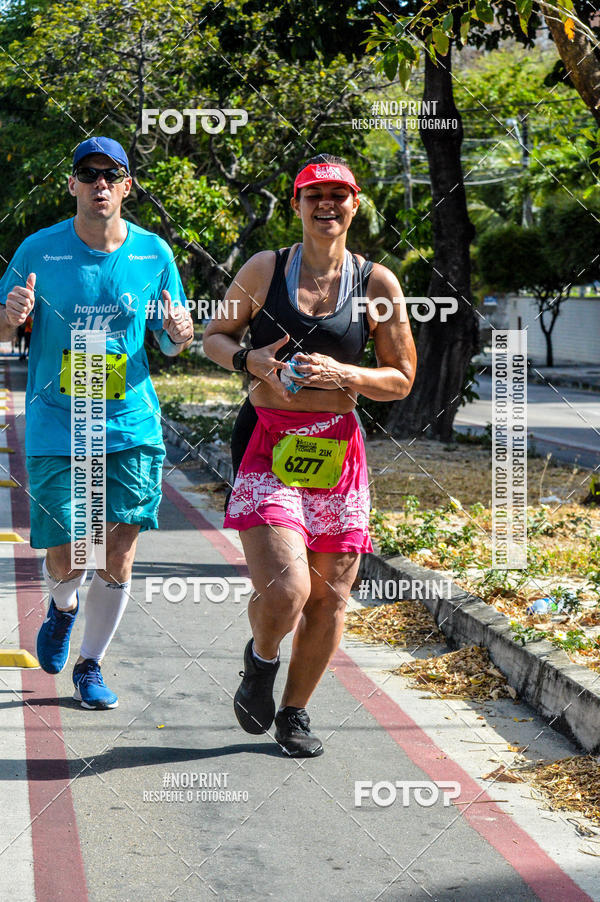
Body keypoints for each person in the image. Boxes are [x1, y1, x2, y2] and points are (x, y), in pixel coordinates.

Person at [203, 153, 416, 756]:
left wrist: (345, 373)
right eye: (314, 195)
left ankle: (294, 713)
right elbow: (215, 336)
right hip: (267, 441)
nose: (327, 205)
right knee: (286, 590)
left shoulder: (376, 284)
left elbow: (401, 378)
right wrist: (249, 360)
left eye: (338, 195)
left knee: (329, 597)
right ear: (296, 204)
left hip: (338, 452)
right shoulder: (265, 268)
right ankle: (261, 659)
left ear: (355, 205)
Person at [0, 136, 194, 708]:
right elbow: (2, 330)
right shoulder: (38, 250)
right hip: (57, 422)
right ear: (73, 185)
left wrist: (179, 336)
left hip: (129, 423)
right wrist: (10, 317)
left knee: (117, 546)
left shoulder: (153, 253)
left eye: (111, 175)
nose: (99, 184)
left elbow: (171, 338)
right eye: (88, 174)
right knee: (66, 550)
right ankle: (63, 607)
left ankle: (90, 665)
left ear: (127, 186)